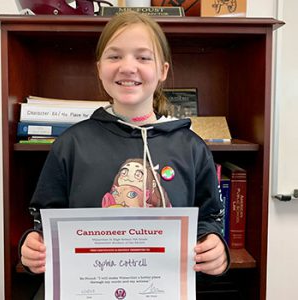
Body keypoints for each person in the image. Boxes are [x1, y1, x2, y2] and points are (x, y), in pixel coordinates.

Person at [20, 11, 229, 278]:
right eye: (115, 56)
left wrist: (216, 250)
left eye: (143, 57)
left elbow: (209, 220)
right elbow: (43, 219)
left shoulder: (191, 147)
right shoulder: (71, 144)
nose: (128, 67)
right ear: (99, 68)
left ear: (163, 70)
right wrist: (32, 247)